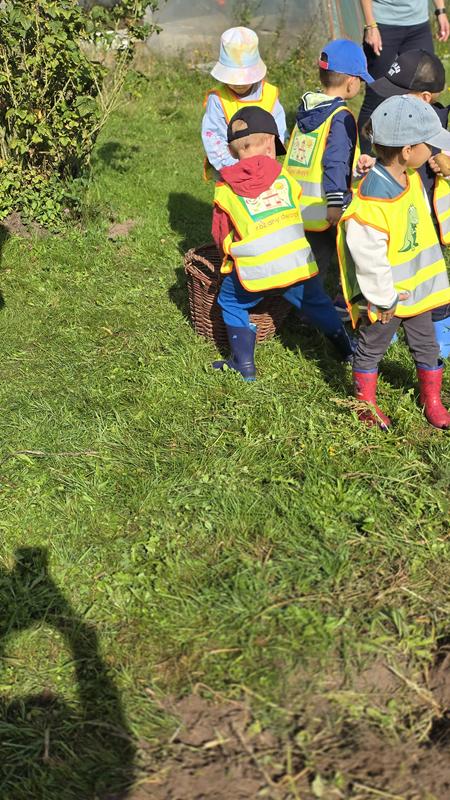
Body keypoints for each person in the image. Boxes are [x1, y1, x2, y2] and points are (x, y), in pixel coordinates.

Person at [211, 106, 354, 381]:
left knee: (230, 300)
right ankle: (347, 350)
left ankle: (244, 364)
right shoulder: (285, 176)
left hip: (255, 268)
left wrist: (228, 260)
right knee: (318, 303)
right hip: (296, 262)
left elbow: (221, 234)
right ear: (269, 144)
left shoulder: (225, 190)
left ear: (230, 150)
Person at [337, 95, 450, 430]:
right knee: (372, 347)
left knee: (426, 346)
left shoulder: (410, 176)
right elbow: (368, 258)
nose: (434, 150)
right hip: (387, 298)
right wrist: (382, 298)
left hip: (417, 290)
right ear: (407, 151)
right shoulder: (372, 202)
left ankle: (432, 400)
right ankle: (364, 404)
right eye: (429, 144)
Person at [360, 49, 450, 356]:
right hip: (398, 223)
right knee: (393, 265)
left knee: (427, 273)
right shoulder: (399, 121)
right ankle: (392, 321)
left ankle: (440, 322)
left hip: (429, 230)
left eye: (398, 93)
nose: (389, 99)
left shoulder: (436, 129)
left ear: (424, 98)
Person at [283, 38, 373, 317]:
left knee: (305, 261)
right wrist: (335, 202)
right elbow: (334, 161)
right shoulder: (341, 116)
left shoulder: (308, 110)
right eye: (361, 80)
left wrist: (355, 169)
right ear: (351, 82)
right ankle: (320, 311)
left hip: (298, 203)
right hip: (327, 206)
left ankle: (293, 306)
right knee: (340, 257)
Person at [358, 0, 449, 151]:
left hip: (419, 24)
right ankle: (363, 156)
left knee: (428, 92)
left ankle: (429, 157)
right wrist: (370, 25)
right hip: (382, 24)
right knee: (376, 96)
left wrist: (441, 10)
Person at [202, 27, 287, 177]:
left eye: (244, 79)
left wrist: (266, 161)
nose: (239, 84)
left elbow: (278, 132)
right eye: (233, 79)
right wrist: (234, 167)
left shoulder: (269, 94)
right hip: (230, 169)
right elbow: (213, 137)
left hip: (264, 167)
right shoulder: (218, 99)